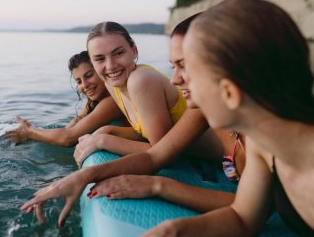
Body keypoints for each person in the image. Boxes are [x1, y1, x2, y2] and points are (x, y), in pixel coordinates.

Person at [19, 18, 249, 227]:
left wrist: (158, 186)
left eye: (184, 66)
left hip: (221, 165)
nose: (175, 79)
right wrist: (82, 176)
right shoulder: (199, 109)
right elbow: (155, 154)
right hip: (223, 164)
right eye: (173, 67)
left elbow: (251, 209)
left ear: (134, 51)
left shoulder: (142, 80)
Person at [142, 0, 314, 237]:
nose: (175, 80)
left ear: (229, 92)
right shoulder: (264, 141)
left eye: (191, 71)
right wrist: (173, 231)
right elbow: (242, 218)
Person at [72, 21, 196, 165]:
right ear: (92, 63)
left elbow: (162, 152)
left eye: (118, 53)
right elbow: (146, 133)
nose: (110, 66)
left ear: (134, 51)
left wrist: (103, 140)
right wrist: (107, 130)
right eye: (100, 59)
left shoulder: (141, 80)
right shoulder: (112, 85)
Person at [5, 51, 123, 147]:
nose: (84, 85)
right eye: (78, 81)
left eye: (88, 76)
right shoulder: (92, 103)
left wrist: (30, 132)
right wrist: (31, 134)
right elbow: (67, 129)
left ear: (100, 71)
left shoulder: (113, 101)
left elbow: (68, 139)